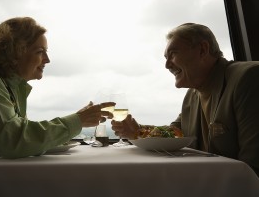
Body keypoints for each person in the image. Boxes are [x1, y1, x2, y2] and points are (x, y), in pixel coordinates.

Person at [0, 17, 115, 166]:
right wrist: (78, 120)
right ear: (15, 51)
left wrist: (79, 120)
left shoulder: (11, 88)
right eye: (40, 51)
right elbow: (14, 141)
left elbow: (21, 139)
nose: (47, 59)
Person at [111, 23, 259, 176]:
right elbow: (173, 133)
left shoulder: (249, 78)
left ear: (202, 50)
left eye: (173, 54)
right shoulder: (192, 95)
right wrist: (137, 131)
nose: (167, 65)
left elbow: (253, 168)